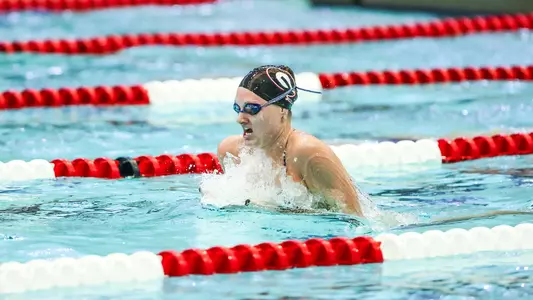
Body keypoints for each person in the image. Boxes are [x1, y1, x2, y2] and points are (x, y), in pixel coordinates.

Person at [216, 65, 364, 217]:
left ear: (282, 110)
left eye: (252, 109)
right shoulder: (231, 152)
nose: (240, 119)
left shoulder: (308, 154)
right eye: (237, 108)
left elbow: (354, 219)